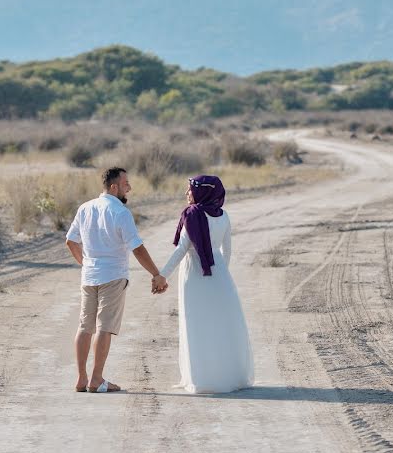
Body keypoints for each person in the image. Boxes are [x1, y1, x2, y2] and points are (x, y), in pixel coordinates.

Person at [66, 167, 168, 393]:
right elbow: (137, 248)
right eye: (125, 184)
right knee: (105, 327)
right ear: (114, 187)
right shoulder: (120, 212)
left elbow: (71, 241)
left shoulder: (85, 208)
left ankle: (82, 378)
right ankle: (97, 379)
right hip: (112, 276)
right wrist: (156, 274)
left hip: (89, 276)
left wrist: (85, 263)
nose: (129, 187)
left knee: (84, 327)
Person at [156, 175, 254, 394]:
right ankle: (226, 375)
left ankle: (200, 378)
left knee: (196, 323)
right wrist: (221, 275)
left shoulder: (192, 215)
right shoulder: (224, 215)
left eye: (189, 189)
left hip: (194, 273)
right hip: (219, 274)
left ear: (201, 192)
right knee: (220, 324)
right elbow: (227, 251)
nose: (186, 193)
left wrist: (162, 275)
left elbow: (181, 249)